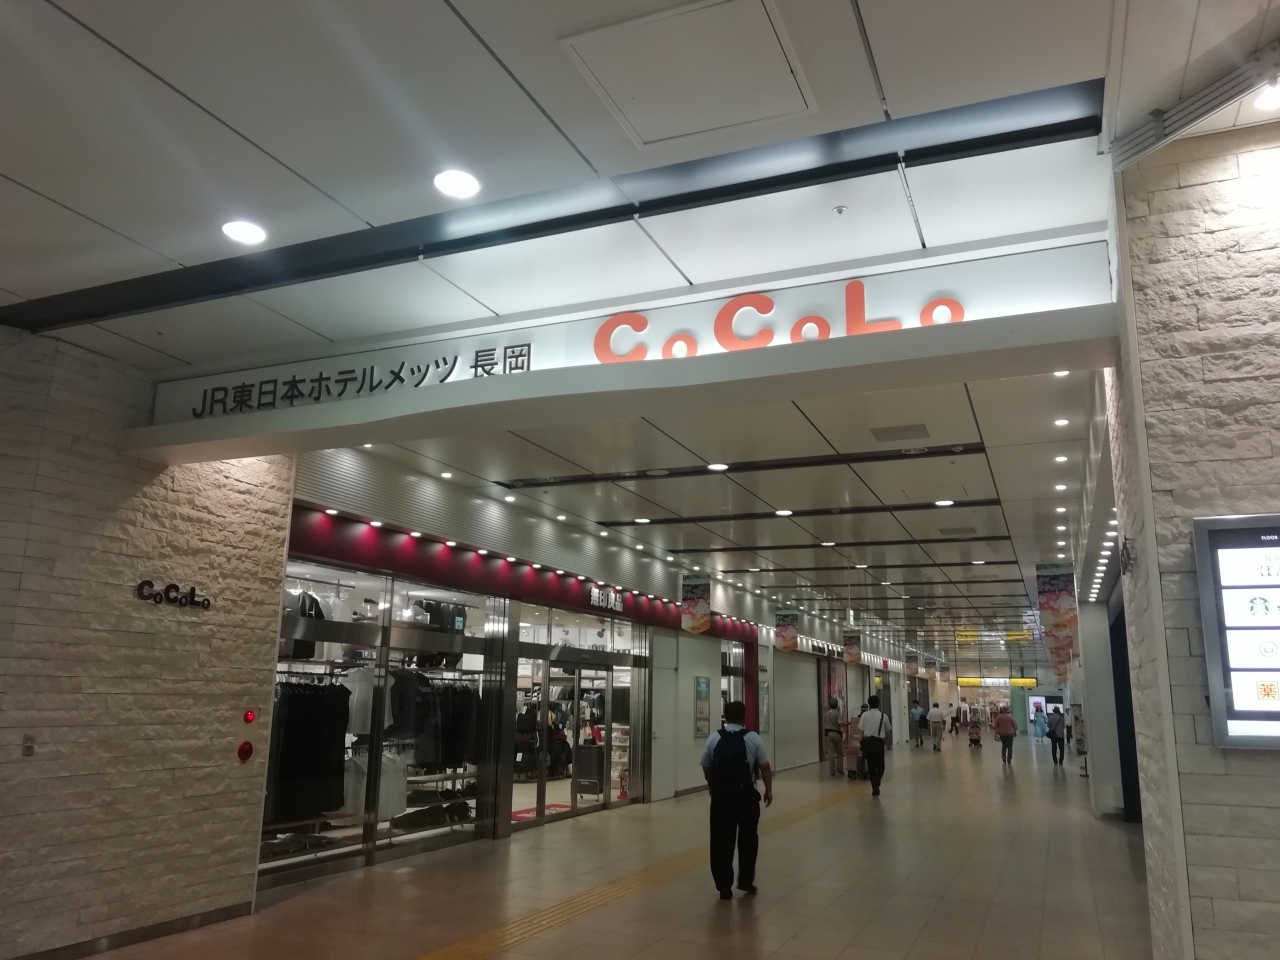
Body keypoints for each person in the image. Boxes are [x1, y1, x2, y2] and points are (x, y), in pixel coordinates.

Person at [700, 700, 772, 899]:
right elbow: (764, 766)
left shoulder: (714, 737)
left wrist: (712, 784)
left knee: (721, 839)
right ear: (743, 716)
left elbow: (705, 764)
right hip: (746, 796)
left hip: (721, 797)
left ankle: (724, 885)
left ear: (725, 716)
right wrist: (768, 790)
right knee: (748, 839)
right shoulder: (753, 738)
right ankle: (746, 881)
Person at [859, 695, 891, 795]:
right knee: (881, 766)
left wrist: (860, 743)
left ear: (869, 704)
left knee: (871, 766)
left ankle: (874, 787)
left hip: (868, 743)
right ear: (879, 703)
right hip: (879, 742)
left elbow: (861, 731)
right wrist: (888, 743)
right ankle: (877, 781)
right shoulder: (883, 716)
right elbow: (888, 731)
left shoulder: (864, 715)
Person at [824, 697, 844, 776]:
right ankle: (839, 769)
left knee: (830, 753)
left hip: (828, 734)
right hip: (836, 733)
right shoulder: (837, 713)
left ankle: (832, 771)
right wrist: (847, 724)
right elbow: (840, 724)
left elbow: (824, 723)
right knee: (839, 752)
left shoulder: (826, 713)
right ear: (837, 705)